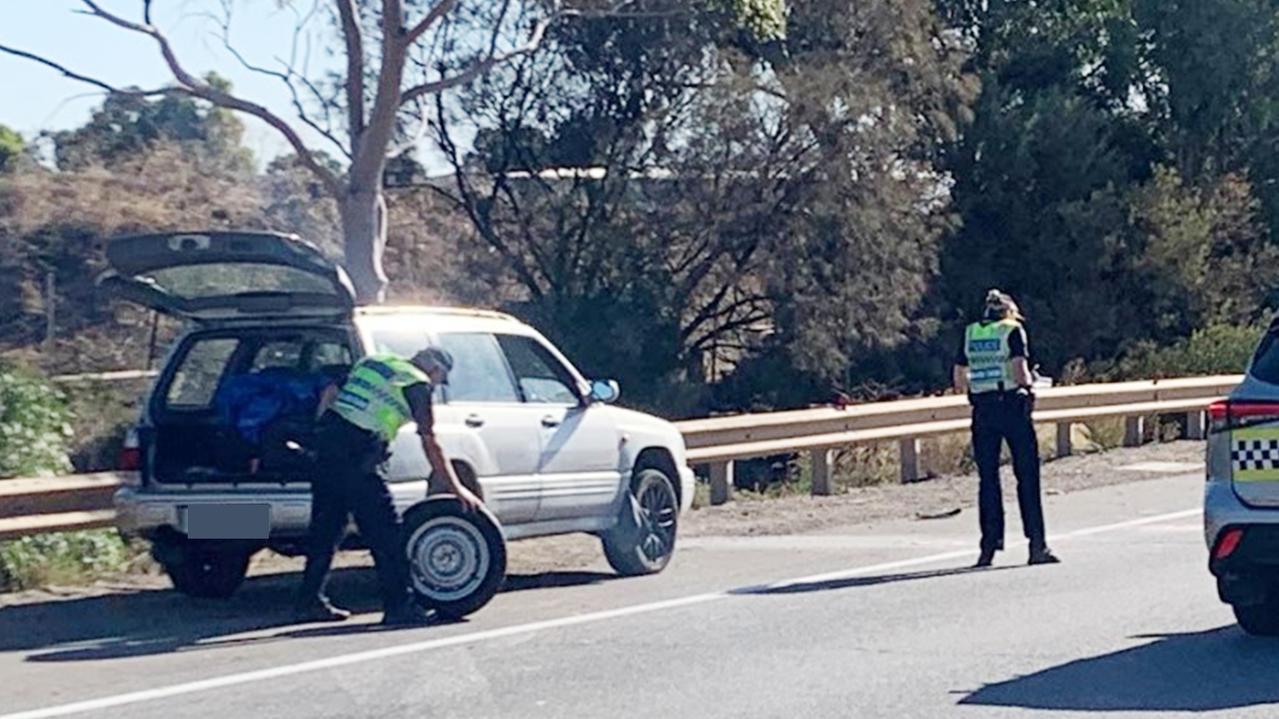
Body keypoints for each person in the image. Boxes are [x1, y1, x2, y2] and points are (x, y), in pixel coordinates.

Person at [294, 347, 483, 625]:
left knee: (326, 529)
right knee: (386, 534)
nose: (435, 385)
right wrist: (456, 488)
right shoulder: (416, 384)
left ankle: (308, 602)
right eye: (439, 380)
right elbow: (430, 441)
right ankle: (399, 606)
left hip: (329, 446)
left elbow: (331, 389)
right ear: (435, 370)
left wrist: (320, 429)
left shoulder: (375, 362)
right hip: (361, 453)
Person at [953, 290, 1060, 568]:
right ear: (1009, 311)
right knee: (1027, 476)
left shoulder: (972, 333)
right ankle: (1037, 545)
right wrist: (1030, 386)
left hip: (983, 410)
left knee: (988, 479)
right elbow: (1019, 370)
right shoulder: (1013, 331)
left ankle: (988, 547)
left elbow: (958, 377)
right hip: (1012, 406)